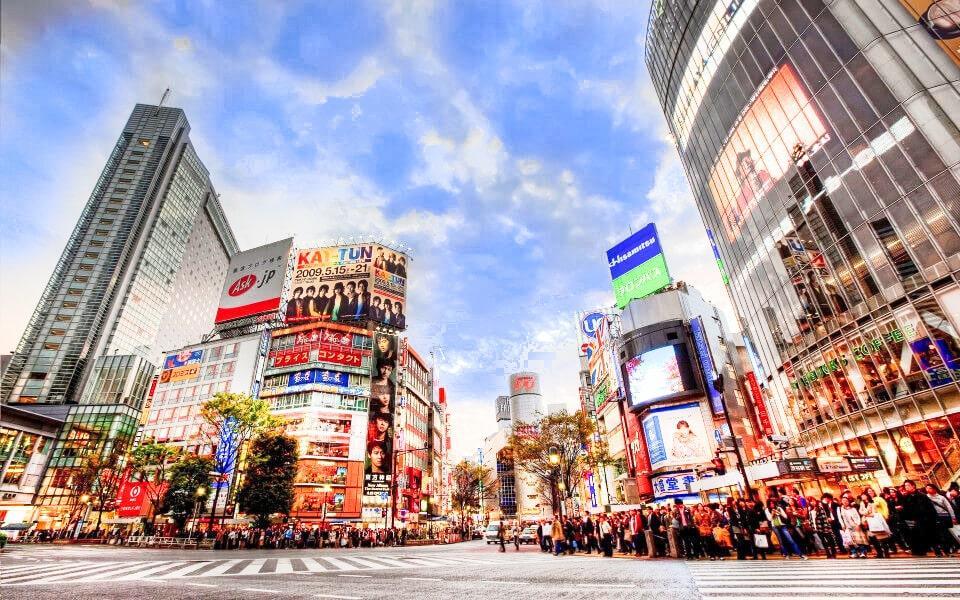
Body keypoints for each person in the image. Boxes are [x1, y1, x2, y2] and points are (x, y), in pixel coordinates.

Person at [899, 480, 938, 555]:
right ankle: (920, 552)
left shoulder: (922, 495)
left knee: (930, 536)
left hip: (926, 520)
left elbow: (930, 508)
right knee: (917, 537)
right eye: (905, 486)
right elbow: (906, 510)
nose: (906, 487)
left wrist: (933, 519)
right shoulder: (906, 497)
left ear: (913, 486)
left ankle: (937, 551)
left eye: (908, 485)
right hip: (915, 521)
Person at [925, 484, 958, 556]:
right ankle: (938, 551)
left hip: (944, 517)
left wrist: (953, 517)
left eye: (930, 488)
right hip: (933, 518)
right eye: (926, 488)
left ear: (934, 489)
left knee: (945, 534)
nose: (928, 489)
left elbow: (949, 507)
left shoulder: (941, 497)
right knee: (936, 535)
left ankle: (947, 550)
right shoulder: (925, 497)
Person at [859, 492, 891, 558]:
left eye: (864, 495)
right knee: (873, 539)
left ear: (867, 496)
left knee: (882, 537)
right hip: (867, 522)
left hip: (874, 521)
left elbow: (874, 513)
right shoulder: (862, 504)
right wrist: (865, 513)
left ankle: (886, 552)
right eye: (862, 496)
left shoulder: (872, 503)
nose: (862, 497)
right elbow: (860, 511)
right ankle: (879, 553)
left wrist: (866, 514)